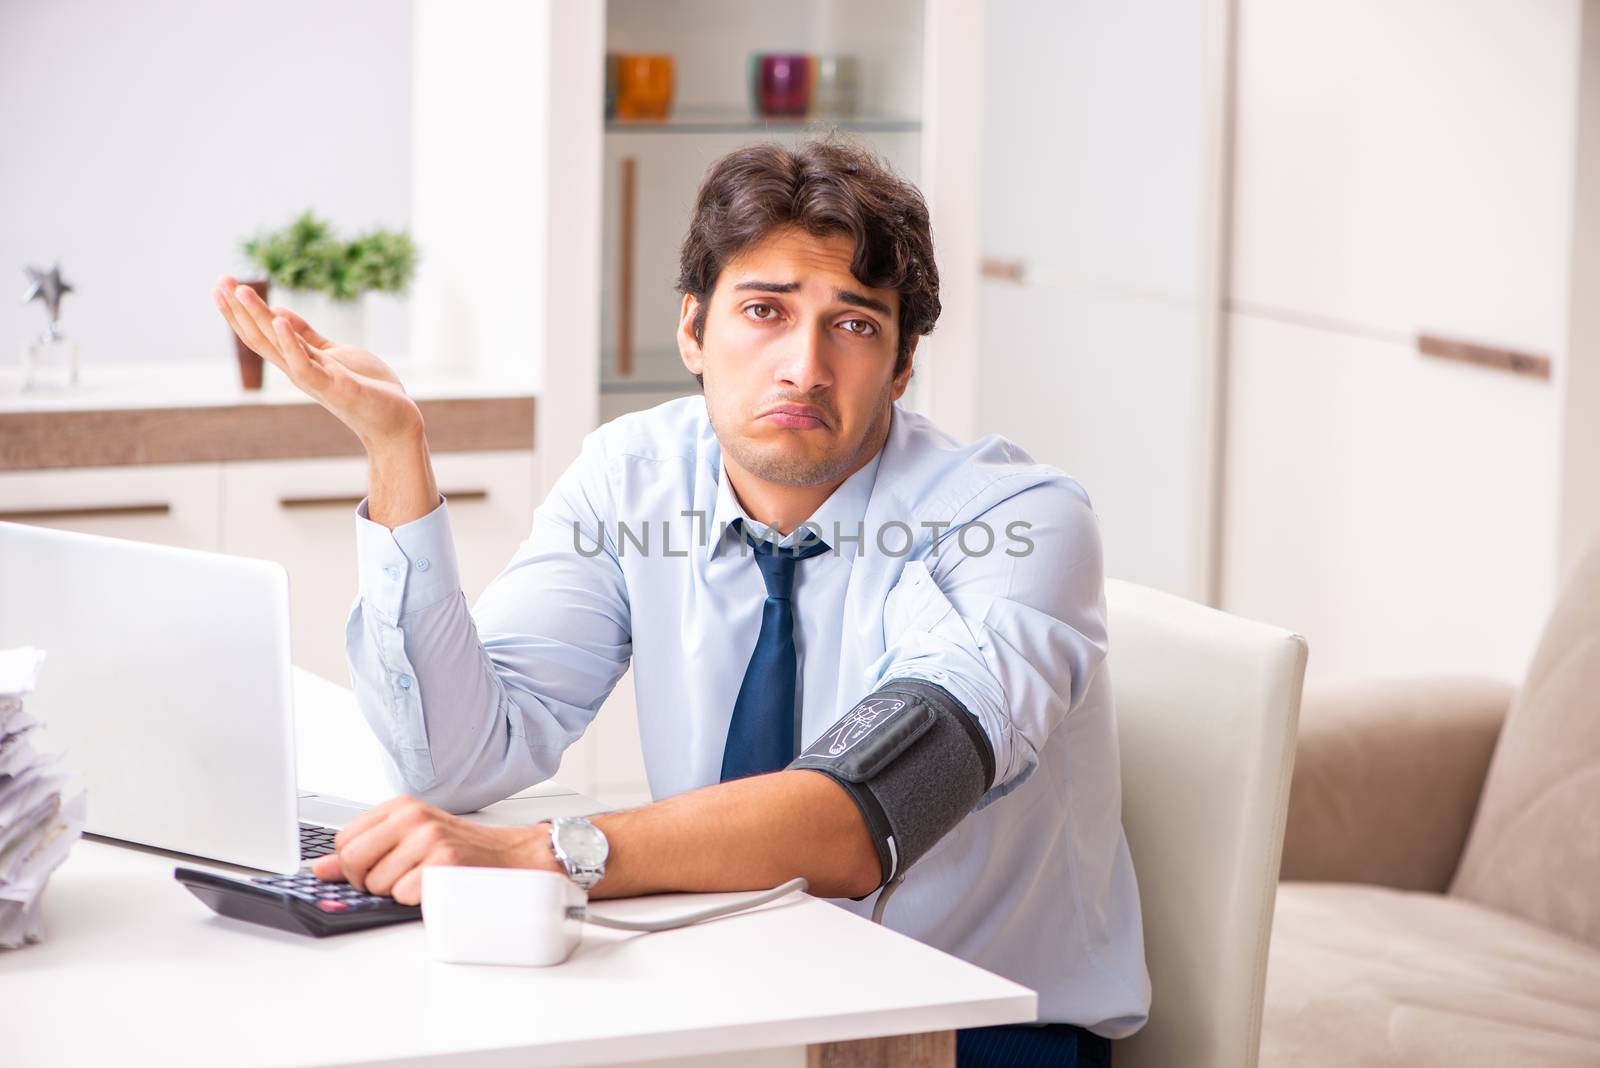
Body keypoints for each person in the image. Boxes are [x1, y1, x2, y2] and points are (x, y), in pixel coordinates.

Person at [213, 135, 1148, 1067]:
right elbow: (457, 761)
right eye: (764, 311)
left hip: (963, 1027)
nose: (804, 366)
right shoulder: (635, 477)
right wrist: (395, 453)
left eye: (855, 325)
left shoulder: (1017, 524)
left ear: (903, 367)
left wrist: (546, 851)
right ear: (694, 332)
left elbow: (867, 813)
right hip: (727, 985)